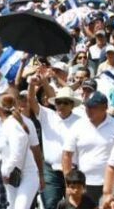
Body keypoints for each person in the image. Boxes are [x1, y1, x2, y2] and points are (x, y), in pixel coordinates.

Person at [27, 79, 82, 209]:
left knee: (72, 206)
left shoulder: (81, 121)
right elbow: (31, 100)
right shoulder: (47, 115)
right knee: (50, 204)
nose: (61, 105)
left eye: (65, 102)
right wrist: (31, 85)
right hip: (50, 169)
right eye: (58, 102)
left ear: (72, 105)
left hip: (73, 170)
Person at [62, 91, 114, 204]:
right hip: (83, 185)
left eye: (93, 107)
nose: (88, 110)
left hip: (111, 184)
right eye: (87, 107)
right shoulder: (78, 126)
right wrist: (68, 183)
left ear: (104, 107)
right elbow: (66, 155)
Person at [0, 94, 39, 209]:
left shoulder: (12, 125)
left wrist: (4, 172)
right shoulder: (3, 124)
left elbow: (17, 153)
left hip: (27, 176)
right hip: (12, 177)